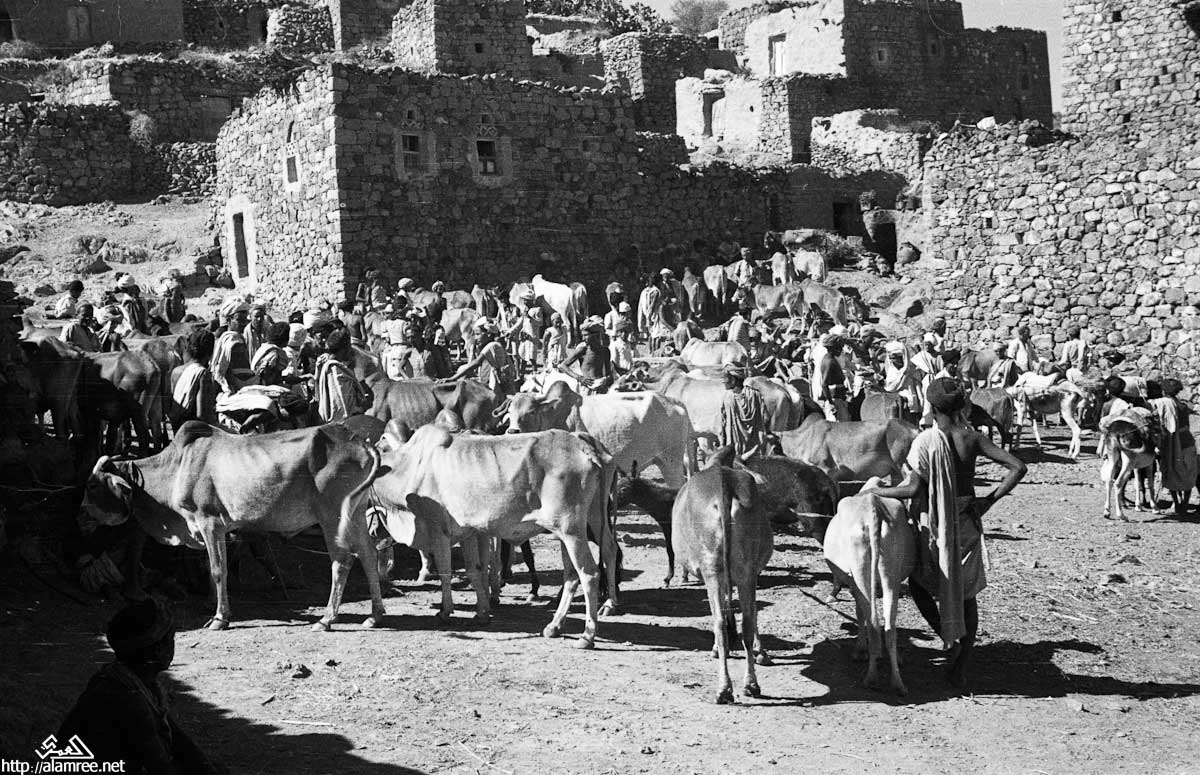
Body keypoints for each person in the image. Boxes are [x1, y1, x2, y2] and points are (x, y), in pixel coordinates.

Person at [862, 378, 1026, 687]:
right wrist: (987, 501)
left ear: (932, 407)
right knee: (967, 594)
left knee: (920, 585)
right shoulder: (973, 438)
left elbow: (913, 488)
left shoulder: (925, 441)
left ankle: (948, 637)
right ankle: (961, 665)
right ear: (962, 406)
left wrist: (877, 492)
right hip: (966, 521)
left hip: (934, 522)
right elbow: (1018, 467)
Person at [57, 599, 221, 774]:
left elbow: (179, 741)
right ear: (158, 650)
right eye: (170, 640)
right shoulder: (128, 699)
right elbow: (159, 765)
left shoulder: (131, 681)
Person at [1149, 378, 1198, 515]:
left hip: (1170, 443)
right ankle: (1185, 504)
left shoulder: (1161, 404)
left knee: (1170, 470)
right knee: (1188, 472)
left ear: (1164, 391)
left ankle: (1176, 503)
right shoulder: (1183, 405)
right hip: (1187, 441)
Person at [314, 329, 371, 422]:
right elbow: (342, 405)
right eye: (349, 347)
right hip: (343, 421)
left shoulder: (334, 366)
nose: (351, 350)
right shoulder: (335, 370)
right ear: (344, 349)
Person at [450, 319, 517, 394]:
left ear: (488, 334)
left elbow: (476, 362)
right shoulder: (492, 345)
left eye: (478, 334)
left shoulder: (492, 345)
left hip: (500, 382)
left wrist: (453, 378)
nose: (476, 338)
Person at [170, 329, 217, 429]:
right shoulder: (203, 374)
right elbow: (202, 415)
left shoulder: (176, 372)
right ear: (210, 352)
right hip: (194, 432)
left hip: (178, 430)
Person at [718, 362, 767, 458]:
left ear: (733, 380)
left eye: (725, 378)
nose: (723, 381)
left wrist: (722, 443)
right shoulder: (755, 394)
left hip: (734, 451)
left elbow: (723, 423)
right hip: (755, 447)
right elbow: (764, 418)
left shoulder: (727, 398)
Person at [559, 317, 613, 395]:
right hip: (586, 389)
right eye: (582, 335)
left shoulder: (605, 351)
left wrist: (606, 380)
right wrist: (580, 378)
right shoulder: (583, 350)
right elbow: (562, 366)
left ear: (596, 335)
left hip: (601, 389)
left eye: (586, 335)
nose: (583, 338)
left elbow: (609, 374)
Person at [211, 299, 252, 394]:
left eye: (245, 320)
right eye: (239, 320)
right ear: (229, 321)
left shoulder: (236, 338)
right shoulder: (233, 341)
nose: (243, 323)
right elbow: (227, 371)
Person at [882, 341, 923, 416]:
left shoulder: (912, 371)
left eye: (894, 358)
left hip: (911, 402)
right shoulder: (891, 372)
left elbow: (919, 388)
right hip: (894, 403)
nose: (892, 361)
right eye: (890, 358)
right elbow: (890, 388)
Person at [814, 334, 849, 421]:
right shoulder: (830, 362)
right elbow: (824, 384)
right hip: (835, 398)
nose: (841, 350)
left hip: (837, 397)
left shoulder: (828, 358)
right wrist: (831, 403)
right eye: (839, 348)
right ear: (833, 348)